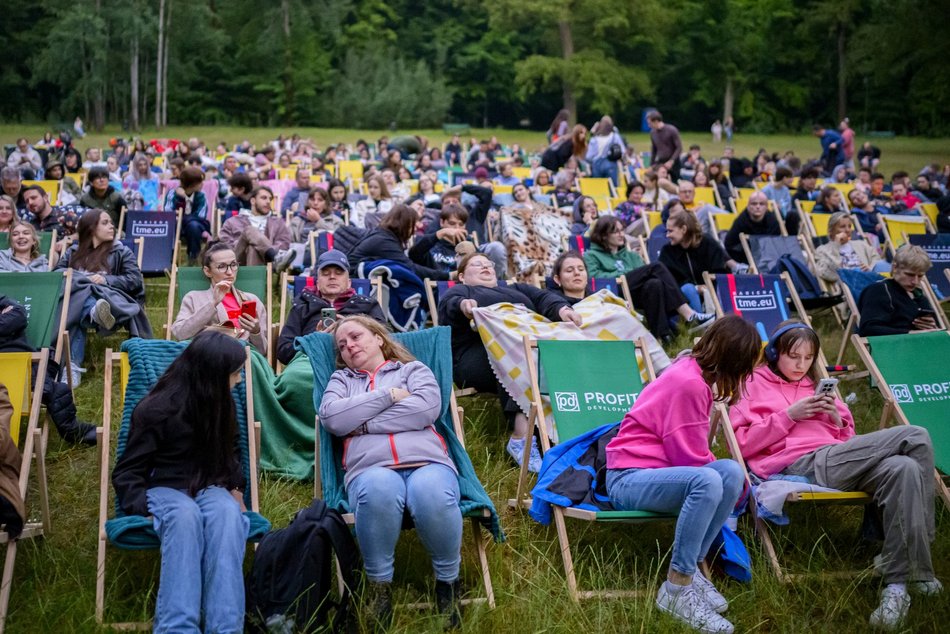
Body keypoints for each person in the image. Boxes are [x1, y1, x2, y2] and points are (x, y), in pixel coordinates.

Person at [729, 321, 941, 630]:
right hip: (799, 463)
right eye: (794, 357)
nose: (802, 365)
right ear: (774, 353)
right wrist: (789, 416)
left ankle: (896, 587)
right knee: (917, 436)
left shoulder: (814, 383)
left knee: (904, 468)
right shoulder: (750, 384)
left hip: (839, 458)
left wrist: (834, 416)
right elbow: (743, 444)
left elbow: (848, 435)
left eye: (808, 357)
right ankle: (920, 562)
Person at [606, 315, 761, 634]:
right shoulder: (689, 383)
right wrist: (747, 496)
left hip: (659, 474)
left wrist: (740, 486)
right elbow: (688, 458)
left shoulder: (695, 372)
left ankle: (693, 574)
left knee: (730, 472)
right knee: (708, 480)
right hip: (628, 477)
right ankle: (676, 589)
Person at [319, 316, 465, 629]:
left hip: (427, 462)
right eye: (342, 346)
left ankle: (448, 583)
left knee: (432, 494)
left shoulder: (413, 370)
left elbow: (425, 409)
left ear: (379, 339)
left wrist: (362, 424)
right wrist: (387, 396)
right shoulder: (341, 381)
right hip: (370, 468)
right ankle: (380, 588)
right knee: (378, 490)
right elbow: (333, 419)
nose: (349, 347)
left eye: (356, 337)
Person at [112, 331, 250, 633]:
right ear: (211, 376)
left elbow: (233, 453)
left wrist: (236, 489)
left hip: (211, 485)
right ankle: (177, 627)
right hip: (164, 487)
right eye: (235, 373)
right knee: (184, 516)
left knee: (227, 516)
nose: (238, 380)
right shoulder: (156, 409)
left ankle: (226, 628)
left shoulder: (220, 404)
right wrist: (139, 507)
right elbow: (128, 471)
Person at [438, 252, 582, 472]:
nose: (486, 267)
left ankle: (559, 435)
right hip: (474, 357)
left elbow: (544, 297)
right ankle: (521, 437)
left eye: (489, 264)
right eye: (477, 265)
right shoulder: (463, 291)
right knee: (517, 353)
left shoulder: (514, 289)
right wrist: (464, 306)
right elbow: (449, 305)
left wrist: (563, 310)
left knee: (546, 353)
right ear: (462, 276)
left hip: (523, 349)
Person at [55, 210, 151, 385]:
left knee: (77, 298)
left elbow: (135, 280)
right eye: (105, 223)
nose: (111, 226)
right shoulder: (73, 252)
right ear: (91, 228)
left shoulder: (122, 251)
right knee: (77, 287)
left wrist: (106, 279)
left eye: (111, 222)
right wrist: (82, 279)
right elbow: (57, 276)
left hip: (111, 302)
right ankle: (93, 311)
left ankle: (72, 368)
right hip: (81, 304)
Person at [584, 215, 715, 341]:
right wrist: (624, 274)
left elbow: (644, 277)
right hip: (612, 291)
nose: (621, 234)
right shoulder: (591, 255)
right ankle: (688, 314)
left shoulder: (632, 256)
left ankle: (663, 337)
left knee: (654, 284)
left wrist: (633, 274)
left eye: (622, 230)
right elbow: (594, 278)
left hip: (635, 295)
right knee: (656, 267)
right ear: (603, 235)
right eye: (615, 232)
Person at [276, 250, 385, 365]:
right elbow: (284, 351)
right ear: (317, 282)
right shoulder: (302, 306)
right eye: (326, 273)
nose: (332, 277)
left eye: (338, 273)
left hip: (357, 364)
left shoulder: (367, 305)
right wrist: (315, 341)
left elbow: (386, 340)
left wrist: (351, 331)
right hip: (311, 365)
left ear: (348, 282)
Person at [170, 242, 268, 356]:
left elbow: (263, 351)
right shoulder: (193, 298)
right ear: (207, 271)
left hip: (245, 359)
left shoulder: (251, 300)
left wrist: (255, 331)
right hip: (209, 357)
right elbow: (180, 333)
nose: (230, 272)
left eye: (233, 264)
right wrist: (213, 304)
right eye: (222, 266)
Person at [348, 204, 450, 281]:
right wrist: (447, 276)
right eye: (413, 225)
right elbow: (411, 269)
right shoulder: (384, 242)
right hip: (354, 282)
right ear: (404, 225)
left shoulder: (385, 235)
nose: (416, 229)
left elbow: (415, 254)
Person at [659, 211, 730, 313]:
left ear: (683, 229)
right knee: (688, 289)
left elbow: (720, 273)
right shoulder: (667, 251)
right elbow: (668, 281)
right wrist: (696, 288)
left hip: (713, 295)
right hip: (684, 302)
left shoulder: (708, 243)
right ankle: (699, 321)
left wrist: (707, 288)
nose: (667, 235)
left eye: (670, 231)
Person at [858, 245, 938, 336]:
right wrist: (910, 333)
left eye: (920, 276)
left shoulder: (918, 295)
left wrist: (932, 327)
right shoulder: (879, 290)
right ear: (895, 268)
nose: (915, 281)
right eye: (910, 274)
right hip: (892, 347)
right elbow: (868, 329)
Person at [218, 186, 294, 271]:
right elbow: (225, 243)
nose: (268, 201)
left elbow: (284, 243)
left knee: (252, 248)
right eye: (264, 198)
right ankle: (274, 256)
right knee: (249, 230)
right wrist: (243, 242)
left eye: (270, 199)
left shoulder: (278, 223)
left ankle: (253, 281)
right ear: (253, 201)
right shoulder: (233, 221)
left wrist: (260, 248)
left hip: (267, 263)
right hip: (236, 261)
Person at [814, 212, 889, 282]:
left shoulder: (861, 244)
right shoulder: (822, 250)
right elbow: (824, 273)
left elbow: (876, 258)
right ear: (831, 230)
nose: (847, 230)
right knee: (857, 270)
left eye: (849, 226)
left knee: (883, 264)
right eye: (842, 227)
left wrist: (870, 267)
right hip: (849, 282)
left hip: (868, 277)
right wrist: (836, 245)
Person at [163, 166, 211, 262]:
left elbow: (201, 216)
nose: (202, 184)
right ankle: (169, 256)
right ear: (192, 184)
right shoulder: (173, 194)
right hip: (177, 225)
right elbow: (168, 213)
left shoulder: (201, 195)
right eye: (200, 182)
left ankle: (193, 257)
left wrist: (186, 200)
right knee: (173, 224)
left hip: (197, 225)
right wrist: (183, 198)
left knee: (193, 226)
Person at [723, 192, 782, 263]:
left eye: (761, 204)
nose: (758, 207)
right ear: (748, 206)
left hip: (767, 257)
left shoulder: (773, 221)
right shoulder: (741, 221)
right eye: (754, 204)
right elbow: (730, 245)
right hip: (744, 258)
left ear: (766, 207)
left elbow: (776, 244)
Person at [586, 115, 625, 186]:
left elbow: (589, 156)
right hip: (611, 163)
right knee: (612, 186)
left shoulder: (594, 139)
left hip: (596, 164)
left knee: (598, 186)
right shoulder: (615, 136)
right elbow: (622, 151)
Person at [760, 167, 799, 234]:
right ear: (784, 178)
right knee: (777, 212)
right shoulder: (766, 190)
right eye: (790, 178)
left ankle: (792, 237)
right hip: (770, 215)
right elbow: (763, 204)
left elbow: (788, 205)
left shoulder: (785, 190)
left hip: (784, 213)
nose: (792, 180)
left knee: (794, 214)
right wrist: (775, 207)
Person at [648, 111, 684, 181]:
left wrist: (671, 161)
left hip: (674, 163)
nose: (649, 125)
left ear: (655, 121)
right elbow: (654, 150)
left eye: (650, 123)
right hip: (660, 162)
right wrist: (651, 165)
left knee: (674, 182)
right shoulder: (652, 133)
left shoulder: (671, 130)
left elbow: (679, 147)